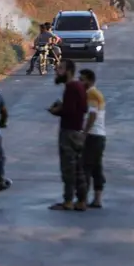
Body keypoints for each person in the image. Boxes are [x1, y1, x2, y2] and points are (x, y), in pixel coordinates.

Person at [48, 59, 88, 211]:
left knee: (68, 168)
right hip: (78, 131)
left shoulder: (71, 87)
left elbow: (69, 111)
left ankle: (68, 201)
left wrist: (57, 110)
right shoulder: (79, 86)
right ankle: (81, 200)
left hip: (69, 132)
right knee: (78, 168)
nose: (57, 71)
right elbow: (82, 109)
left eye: (60, 68)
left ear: (69, 71)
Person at [79, 68, 107, 209]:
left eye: (82, 80)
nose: (80, 82)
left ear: (89, 81)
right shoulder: (95, 93)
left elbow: (92, 115)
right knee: (96, 167)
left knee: (86, 167)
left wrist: (84, 133)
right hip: (98, 135)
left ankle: (83, 199)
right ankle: (97, 199)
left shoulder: (91, 94)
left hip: (93, 135)